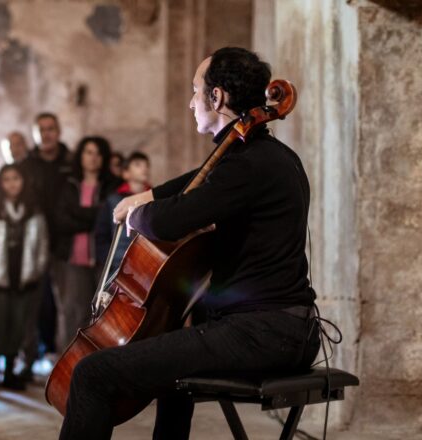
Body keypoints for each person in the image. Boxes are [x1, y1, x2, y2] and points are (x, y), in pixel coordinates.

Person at [58, 47, 322, 440]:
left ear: (217, 98)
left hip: (262, 333)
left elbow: (173, 219)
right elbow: (199, 179)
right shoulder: (270, 157)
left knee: (93, 372)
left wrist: (134, 214)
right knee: (172, 371)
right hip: (289, 331)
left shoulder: (247, 166)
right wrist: (146, 196)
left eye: (196, 91)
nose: (190, 101)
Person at [0, 164, 48, 390]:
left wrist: (35, 272)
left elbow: (43, 246)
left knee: (18, 325)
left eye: (16, 178)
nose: (12, 183)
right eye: (6, 179)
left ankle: (10, 370)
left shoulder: (34, 213)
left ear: (23, 181)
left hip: (24, 279)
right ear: (0, 184)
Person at [17, 112, 72, 379]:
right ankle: (32, 354)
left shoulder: (71, 162)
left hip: (65, 242)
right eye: (41, 129)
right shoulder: (26, 165)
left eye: (51, 128)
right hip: (34, 242)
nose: (47, 133)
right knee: (35, 302)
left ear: (59, 131)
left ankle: (64, 355)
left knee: (68, 301)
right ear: (35, 133)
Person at [52, 136, 119, 353]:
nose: (93, 158)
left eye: (97, 153)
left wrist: (81, 214)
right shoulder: (68, 184)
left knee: (100, 315)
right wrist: (94, 216)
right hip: (72, 259)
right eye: (88, 152)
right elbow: (61, 220)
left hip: (103, 259)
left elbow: (109, 218)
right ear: (80, 156)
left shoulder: (113, 185)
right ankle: (66, 366)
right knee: (72, 313)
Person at [94, 151, 151, 275]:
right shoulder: (113, 200)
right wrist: (110, 260)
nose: (144, 168)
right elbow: (101, 235)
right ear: (126, 173)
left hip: (148, 264)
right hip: (117, 265)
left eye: (146, 165)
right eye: (138, 165)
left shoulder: (155, 199)